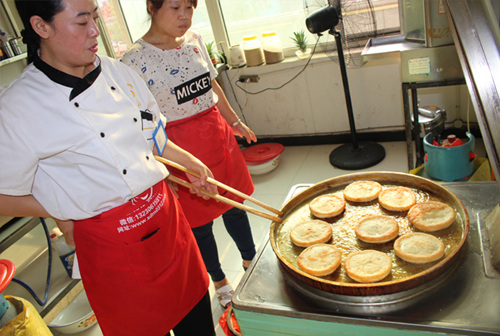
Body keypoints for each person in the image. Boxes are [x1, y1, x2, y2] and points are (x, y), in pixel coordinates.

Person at [0, 0, 218, 335]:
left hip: (167, 221)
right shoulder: (17, 107)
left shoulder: (118, 71)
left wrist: (187, 161)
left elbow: (151, 136)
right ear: (41, 27)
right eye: (81, 22)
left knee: (199, 323)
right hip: (112, 248)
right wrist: (63, 207)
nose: (94, 32)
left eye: (96, 19)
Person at [121, 0, 258, 308]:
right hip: (178, 147)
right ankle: (220, 281)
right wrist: (162, 170)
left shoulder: (194, 40)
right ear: (152, 8)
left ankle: (251, 263)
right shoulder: (133, 61)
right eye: (174, 7)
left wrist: (235, 122)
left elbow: (211, 86)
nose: (184, 16)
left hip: (216, 134)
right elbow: (140, 125)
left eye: (189, 6)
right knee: (200, 223)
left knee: (235, 205)